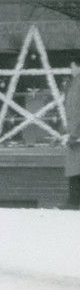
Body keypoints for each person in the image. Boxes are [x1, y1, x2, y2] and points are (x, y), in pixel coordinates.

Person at [64, 61, 80, 209]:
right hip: (75, 131)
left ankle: (74, 201)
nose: (71, 69)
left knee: (76, 167)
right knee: (75, 167)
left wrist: (74, 134)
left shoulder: (77, 84)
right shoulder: (74, 83)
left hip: (77, 133)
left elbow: (76, 111)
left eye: (72, 66)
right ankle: (74, 200)